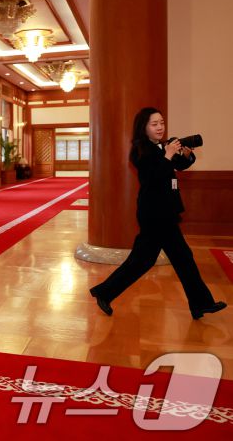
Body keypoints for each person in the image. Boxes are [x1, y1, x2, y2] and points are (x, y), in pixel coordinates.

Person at [90, 107, 226, 319]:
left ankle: (105, 293)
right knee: (172, 258)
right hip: (154, 214)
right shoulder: (139, 151)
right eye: (154, 124)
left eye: (161, 122)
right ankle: (200, 303)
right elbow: (153, 177)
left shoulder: (162, 146)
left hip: (165, 212)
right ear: (143, 127)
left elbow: (180, 165)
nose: (160, 127)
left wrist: (186, 154)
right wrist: (168, 155)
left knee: (155, 260)